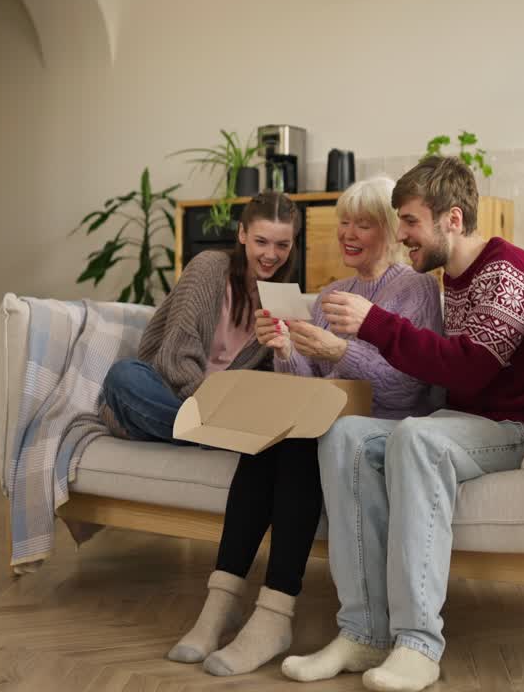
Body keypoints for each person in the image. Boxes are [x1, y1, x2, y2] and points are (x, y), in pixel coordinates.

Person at [282, 157, 524, 692]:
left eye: (409, 222)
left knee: (416, 435)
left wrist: (374, 325)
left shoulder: (509, 271)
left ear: (452, 220)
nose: (401, 235)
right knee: (346, 435)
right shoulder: (448, 280)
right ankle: (363, 631)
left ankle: (418, 644)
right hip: (460, 422)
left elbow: (471, 370)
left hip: (511, 427)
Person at [167, 176, 443, 677]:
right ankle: (221, 600)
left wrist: (341, 350)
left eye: (363, 223)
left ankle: (274, 614)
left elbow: (410, 386)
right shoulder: (334, 292)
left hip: (381, 430)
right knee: (269, 439)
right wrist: (285, 349)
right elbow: (308, 382)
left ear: (389, 230)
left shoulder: (416, 288)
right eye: (343, 222)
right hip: (326, 422)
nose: (348, 233)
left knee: (299, 442)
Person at [99, 191, 299, 442]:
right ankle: (213, 436)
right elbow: (176, 360)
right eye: (261, 241)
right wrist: (212, 412)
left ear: (292, 245)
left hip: (225, 411)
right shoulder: (209, 268)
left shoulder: (282, 300)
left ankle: (203, 435)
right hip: (171, 394)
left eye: (282, 245)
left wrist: (284, 352)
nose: (271, 254)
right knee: (123, 376)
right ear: (242, 234)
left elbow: (267, 381)